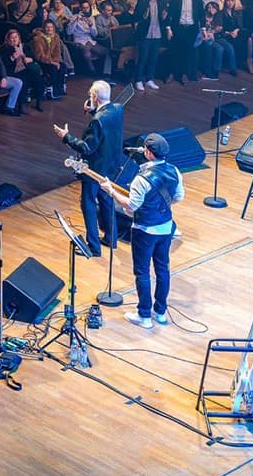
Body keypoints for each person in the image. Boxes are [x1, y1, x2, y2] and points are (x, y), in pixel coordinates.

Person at [99, 133, 184, 329]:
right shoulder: (175, 171)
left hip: (144, 230)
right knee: (163, 270)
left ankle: (144, 315)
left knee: (142, 272)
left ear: (148, 153)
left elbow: (131, 206)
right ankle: (160, 313)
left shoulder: (141, 179)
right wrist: (161, 208)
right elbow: (178, 197)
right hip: (165, 228)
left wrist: (111, 192)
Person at [54, 80, 125, 256]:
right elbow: (107, 126)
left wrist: (66, 136)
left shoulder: (97, 122)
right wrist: (93, 110)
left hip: (94, 169)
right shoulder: (118, 109)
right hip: (111, 166)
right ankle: (111, 237)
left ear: (94, 97)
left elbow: (87, 147)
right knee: (107, 200)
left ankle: (93, 246)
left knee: (88, 204)